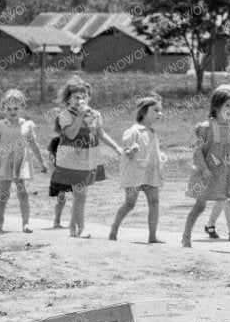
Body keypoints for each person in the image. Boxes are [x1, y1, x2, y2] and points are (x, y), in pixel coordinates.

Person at [48, 78, 123, 236]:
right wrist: (80, 116)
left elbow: (101, 134)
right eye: (76, 97)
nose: (81, 100)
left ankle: (72, 227)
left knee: (80, 195)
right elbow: (72, 133)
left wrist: (117, 147)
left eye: (84, 96)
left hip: (88, 159)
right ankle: (80, 228)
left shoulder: (95, 114)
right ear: (68, 99)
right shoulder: (65, 115)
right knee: (80, 194)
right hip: (70, 160)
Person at [181, 84, 230, 249]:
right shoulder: (205, 127)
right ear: (217, 106)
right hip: (208, 173)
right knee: (199, 206)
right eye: (228, 105)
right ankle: (186, 237)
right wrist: (204, 169)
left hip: (228, 174)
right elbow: (197, 151)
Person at [0, 88, 51, 234]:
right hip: (3, 161)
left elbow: (34, 145)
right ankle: (0, 221)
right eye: (8, 108)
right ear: (3, 108)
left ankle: (26, 223)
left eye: (16, 108)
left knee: (23, 192)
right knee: (4, 193)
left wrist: (41, 163)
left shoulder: (26, 125)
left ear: (22, 107)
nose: (12, 111)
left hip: (20, 161)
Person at [109, 96, 166, 242]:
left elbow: (152, 151)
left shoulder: (152, 132)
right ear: (144, 111)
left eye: (160, 110)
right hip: (134, 173)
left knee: (154, 202)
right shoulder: (133, 131)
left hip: (150, 172)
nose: (160, 113)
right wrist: (131, 150)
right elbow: (126, 152)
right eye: (156, 110)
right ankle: (114, 228)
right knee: (130, 204)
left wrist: (160, 157)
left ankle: (152, 236)